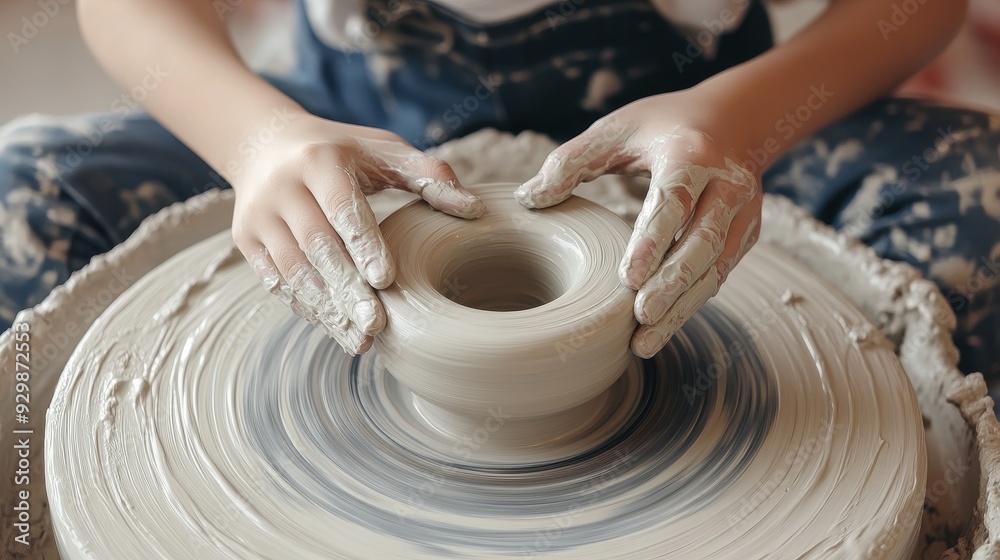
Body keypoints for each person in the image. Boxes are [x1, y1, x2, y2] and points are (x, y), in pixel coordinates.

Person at [1, 0, 996, 378]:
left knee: (981, 206)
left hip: (686, 137)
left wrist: (741, 123)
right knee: (22, 197)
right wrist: (258, 139)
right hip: (352, 133)